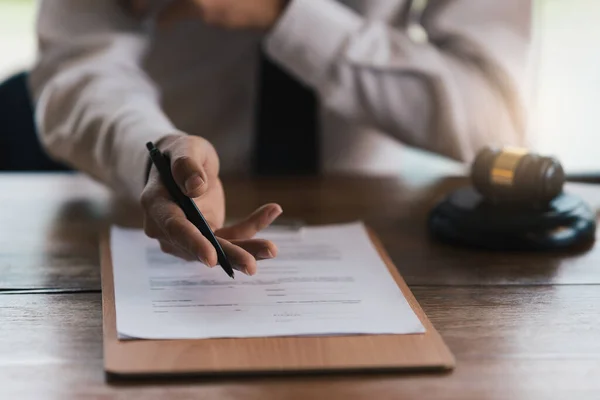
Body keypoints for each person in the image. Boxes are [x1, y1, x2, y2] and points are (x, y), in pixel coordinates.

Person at [30, 0, 531, 274]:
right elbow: (77, 69)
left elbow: (494, 117)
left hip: (380, 226)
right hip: (139, 210)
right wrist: (154, 152)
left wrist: (285, 14)